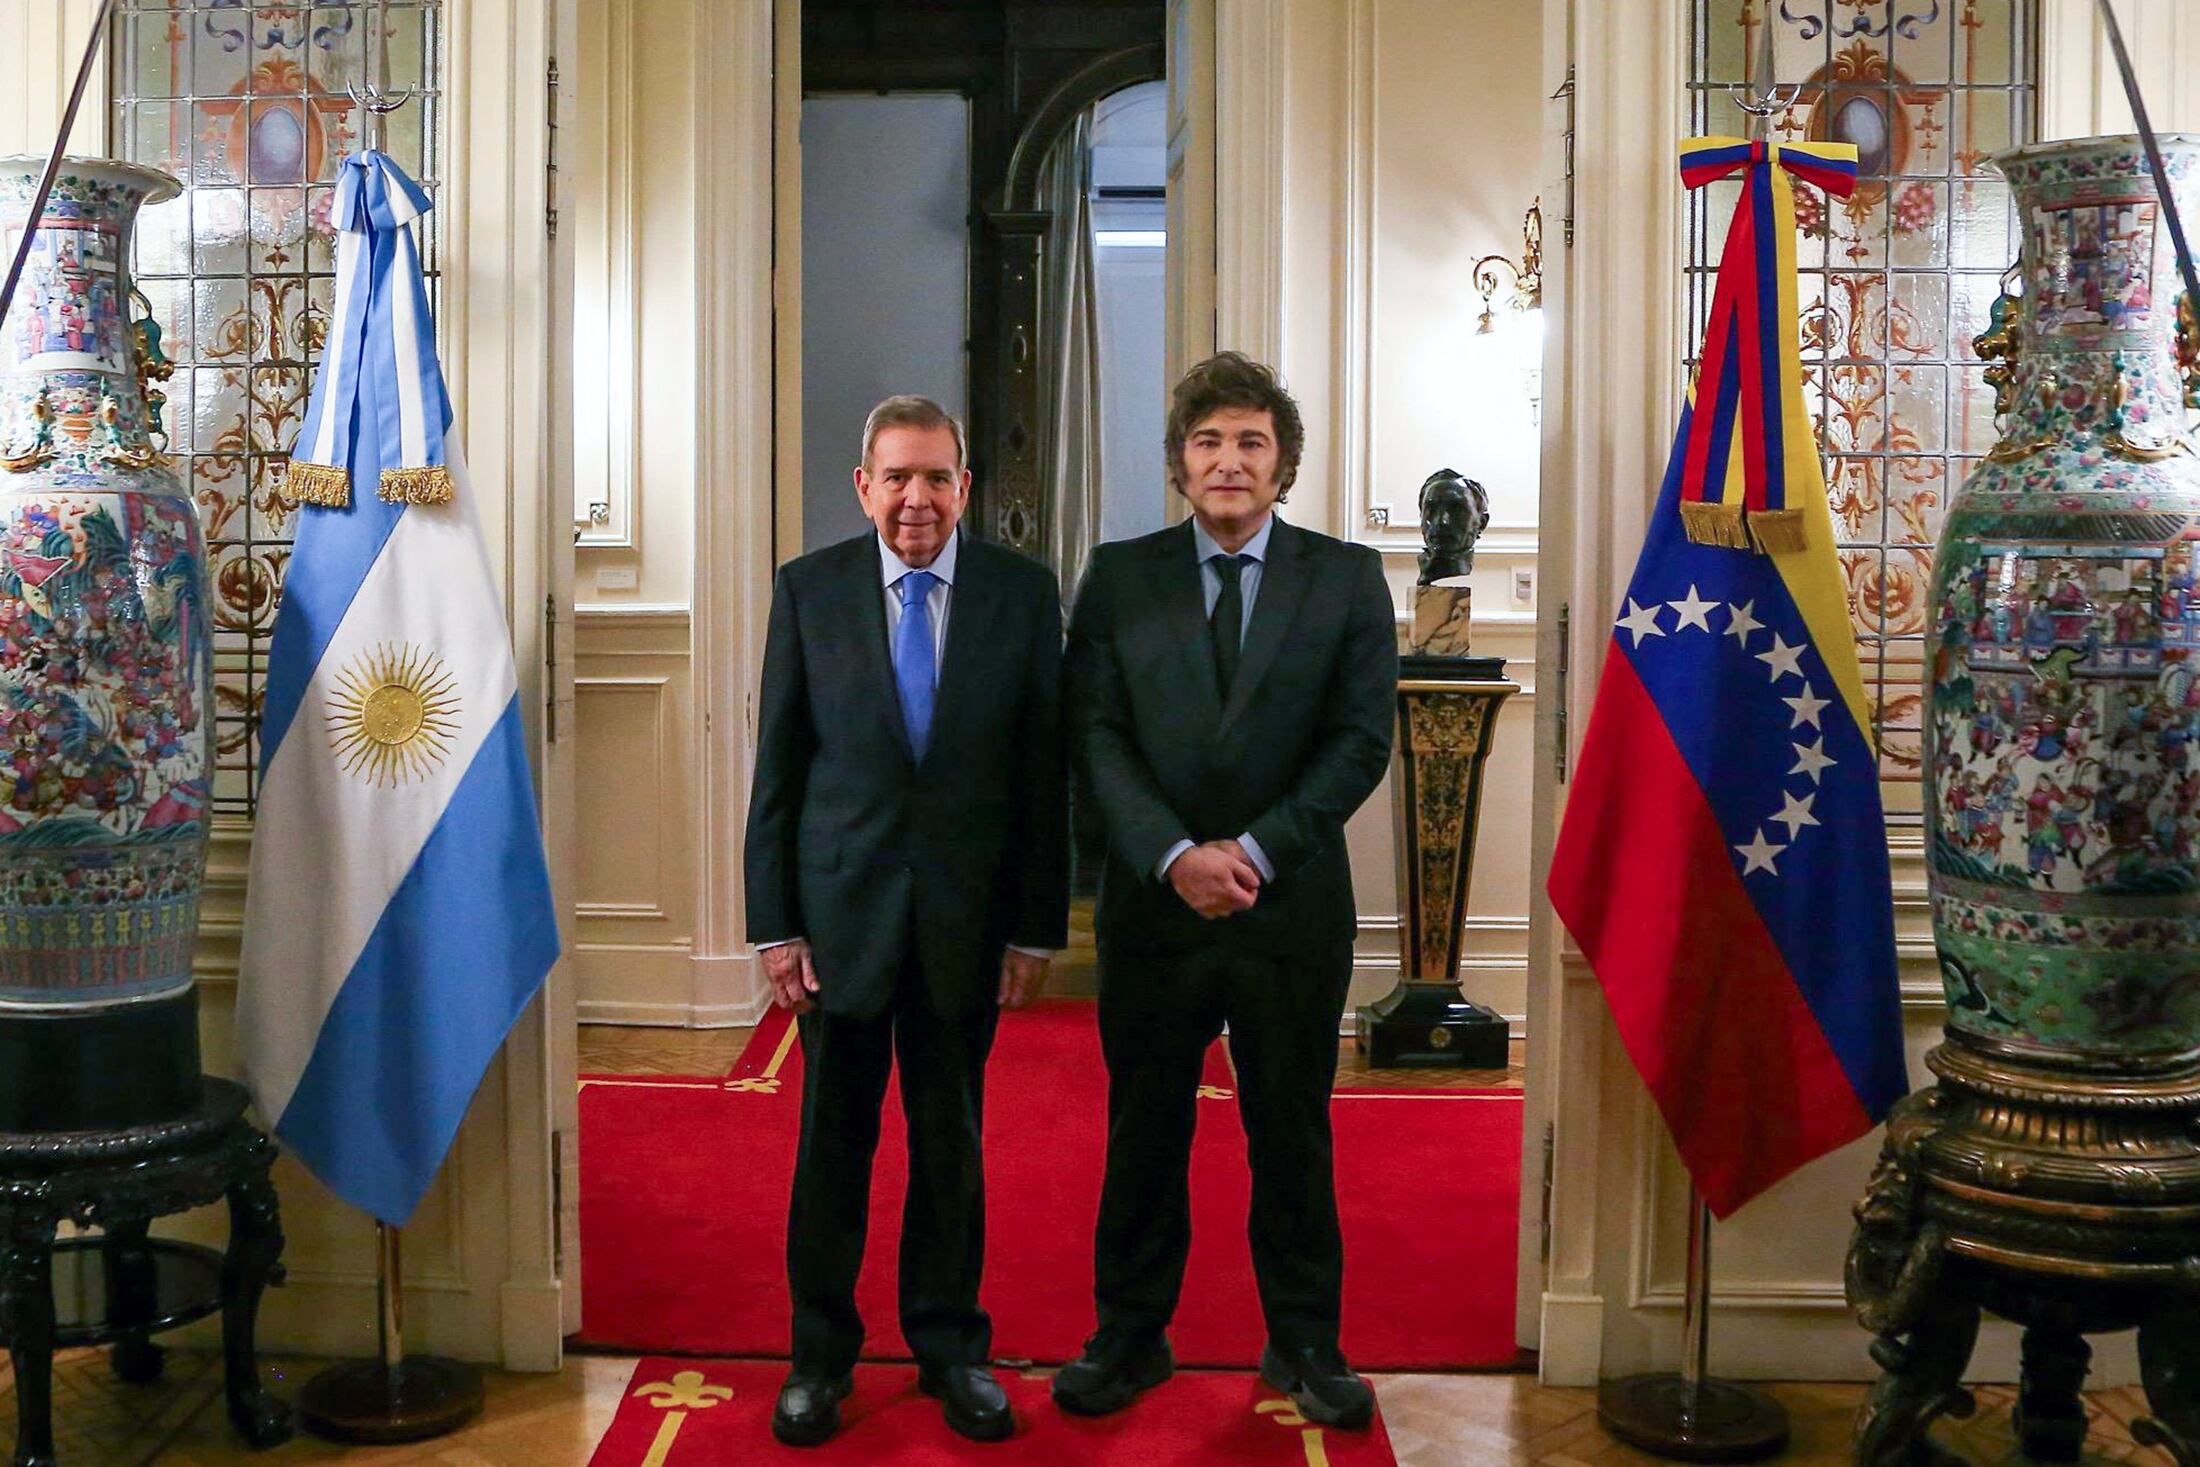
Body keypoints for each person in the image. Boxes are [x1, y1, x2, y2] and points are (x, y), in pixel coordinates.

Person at [1056, 352, 1397, 1427]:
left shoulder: (1346, 577)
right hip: (1154, 909)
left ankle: (1304, 1342)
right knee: (1142, 1130)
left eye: (1251, 441)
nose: (1229, 461)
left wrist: (1250, 850)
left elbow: (1356, 743)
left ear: (1283, 462)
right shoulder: (1118, 576)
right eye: (1208, 442)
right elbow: (1094, 735)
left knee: (1290, 1130)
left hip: (1286, 908)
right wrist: (1172, 856)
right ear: (1179, 462)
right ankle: (1128, 1337)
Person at [745, 395, 1068, 1447]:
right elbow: (779, 774)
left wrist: (1033, 927)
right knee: (830, 1150)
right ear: (863, 486)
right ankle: (818, 1360)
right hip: (838, 929)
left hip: (964, 928)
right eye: (897, 477)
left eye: (937, 477)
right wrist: (774, 926)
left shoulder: (1021, 597)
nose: (917, 499)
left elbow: (1039, 776)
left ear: (963, 487)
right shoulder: (809, 592)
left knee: (951, 1146)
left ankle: (949, 1350)